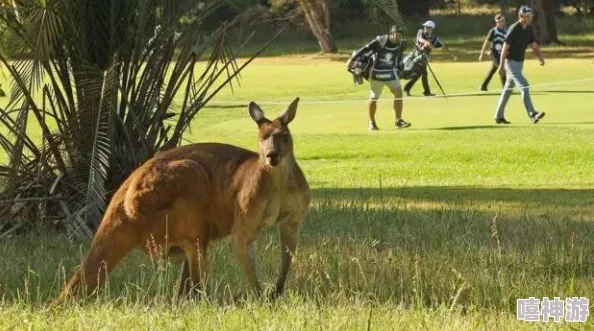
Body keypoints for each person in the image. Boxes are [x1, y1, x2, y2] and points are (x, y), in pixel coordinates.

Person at [347, 25, 411, 130]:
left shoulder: (401, 44)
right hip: (377, 73)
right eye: (396, 34)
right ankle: (371, 123)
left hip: (390, 72)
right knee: (374, 97)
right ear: (391, 33)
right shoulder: (380, 40)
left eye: (400, 35)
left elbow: (399, 57)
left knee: (398, 93)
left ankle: (398, 121)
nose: (398, 37)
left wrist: (402, 70)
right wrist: (352, 60)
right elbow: (365, 49)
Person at [494, 5, 546, 125]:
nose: (530, 18)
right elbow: (504, 49)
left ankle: (498, 116)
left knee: (507, 90)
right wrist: (501, 66)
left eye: (531, 16)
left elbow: (533, 45)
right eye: (528, 16)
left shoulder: (528, 29)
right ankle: (532, 113)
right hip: (510, 63)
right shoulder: (514, 29)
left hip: (520, 63)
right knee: (524, 86)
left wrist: (540, 57)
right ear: (521, 17)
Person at [403, 20, 443, 97]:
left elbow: (439, 45)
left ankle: (407, 88)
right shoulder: (421, 32)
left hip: (424, 57)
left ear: (431, 28)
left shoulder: (434, 37)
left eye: (427, 27)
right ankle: (426, 92)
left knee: (419, 74)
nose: (425, 28)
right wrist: (426, 42)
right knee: (423, 73)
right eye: (425, 26)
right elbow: (419, 39)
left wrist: (434, 45)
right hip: (417, 56)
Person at [479, 14, 508, 91]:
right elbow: (487, 43)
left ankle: (483, 86)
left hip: (501, 55)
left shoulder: (507, 31)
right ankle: (505, 88)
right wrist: (482, 54)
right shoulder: (493, 31)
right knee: (501, 68)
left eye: (502, 21)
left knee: (493, 70)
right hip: (493, 54)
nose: (500, 23)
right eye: (498, 22)